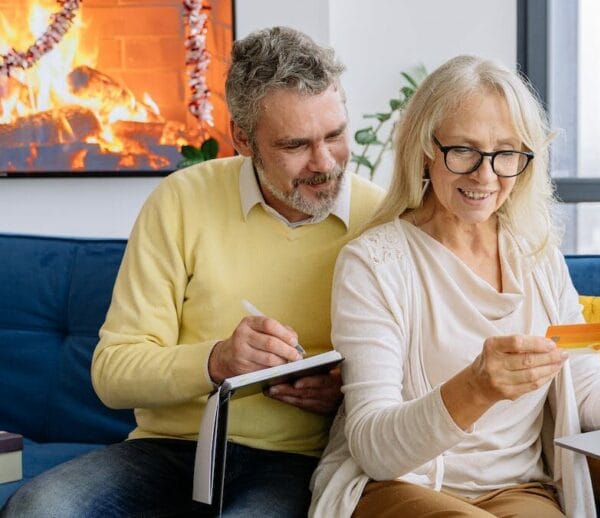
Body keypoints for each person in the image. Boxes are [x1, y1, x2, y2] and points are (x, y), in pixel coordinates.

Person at [1, 27, 383, 517]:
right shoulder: (181, 200)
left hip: (295, 461)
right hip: (167, 450)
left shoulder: (382, 217)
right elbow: (112, 373)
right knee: (37, 508)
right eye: (295, 145)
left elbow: (406, 380)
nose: (325, 163)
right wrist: (218, 361)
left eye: (335, 135)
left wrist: (342, 394)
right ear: (243, 139)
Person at [309, 55, 600, 517]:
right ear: (426, 146)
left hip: (518, 490)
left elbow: (583, 386)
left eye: (506, 152)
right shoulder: (375, 263)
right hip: (399, 486)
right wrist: (476, 388)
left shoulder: (537, 254)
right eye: (463, 150)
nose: (485, 176)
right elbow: (373, 447)